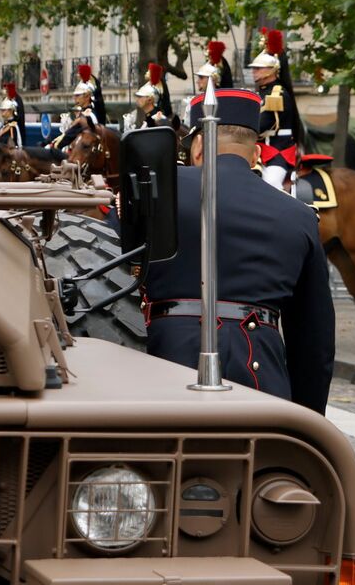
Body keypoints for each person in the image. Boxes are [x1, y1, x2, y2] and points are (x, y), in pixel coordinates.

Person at [137, 85, 333, 413]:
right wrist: (307, 420)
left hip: (160, 366)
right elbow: (314, 344)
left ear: (198, 144)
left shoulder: (153, 191)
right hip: (261, 382)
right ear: (256, 152)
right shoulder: (299, 215)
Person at [251, 28, 304, 192]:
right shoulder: (260, 92)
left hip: (277, 151)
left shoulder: (278, 93)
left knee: (271, 184)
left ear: (271, 70)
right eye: (254, 68)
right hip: (259, 150)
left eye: (258, 68)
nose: (254, 71)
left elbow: (266, 123)